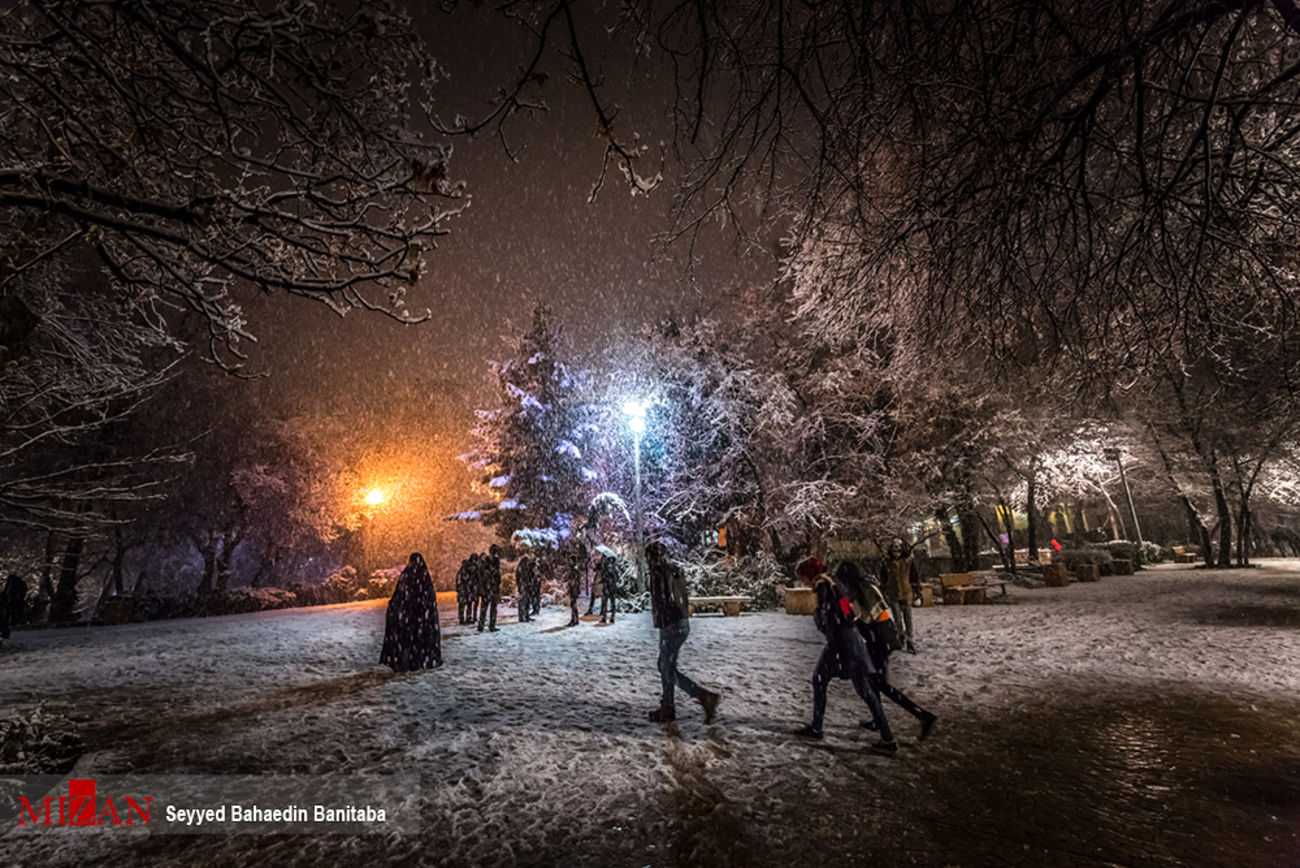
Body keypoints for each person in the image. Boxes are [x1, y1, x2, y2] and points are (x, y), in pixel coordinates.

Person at [793, 556, 895, 752]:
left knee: (819, 679)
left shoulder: (823, 585)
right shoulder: (832, 583)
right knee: (864, 688)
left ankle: (816, 727)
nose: (802, 581)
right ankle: (887, 737)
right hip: (851, 640)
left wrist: (820, 619)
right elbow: (845, 612)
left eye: (802, 576)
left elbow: (831, 617)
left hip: (840, 643)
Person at [840, 561, 937, 741]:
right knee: (875, 680)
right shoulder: (868, 585)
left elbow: (867, 618)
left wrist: (848, 610)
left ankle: (922, 715)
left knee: (879, 683)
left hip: (879, 638)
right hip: (885, 635)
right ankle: (879, 719)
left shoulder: (860, 589)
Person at [646, 541, 720, 723]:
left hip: (670, 625)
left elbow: (664, 598)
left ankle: (703, 697)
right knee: (665, 666)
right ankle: (668, 706)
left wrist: (662, 621)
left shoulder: (659, 572)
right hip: (681, 623)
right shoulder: (675, 569)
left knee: (666, 668)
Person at [379, 553, 441, 672]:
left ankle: (406, 662)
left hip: (409, 615)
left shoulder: (406, 576)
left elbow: (399, 595)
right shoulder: (423, 576)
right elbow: (429, 597)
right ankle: (417, 661)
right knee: (418, 639)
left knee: (408, 640)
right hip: (418, 615)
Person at [879, 538, 922, 653]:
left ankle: (909, 640)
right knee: (897, 618)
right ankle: (901, 636)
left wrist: (917, 591)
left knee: (908, 618)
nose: (896, 554)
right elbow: (883, 579)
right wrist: (883, 591)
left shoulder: (909, 562)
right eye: (894, 551)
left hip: (906, 592)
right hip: (893, 593)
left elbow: (914, 577)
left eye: (898, 551)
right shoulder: (886, 562)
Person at [478, 545, 501, 632]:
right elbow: (486, 575)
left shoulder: (494, 561)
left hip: (489, 588)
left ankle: (484, 625)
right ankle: (489, 625)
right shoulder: (489, 562)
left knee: (488, 608)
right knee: (490, 608)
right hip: (489, 588)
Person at [596, 552, 619, 624]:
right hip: (613, 588)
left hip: (607, 588)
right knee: (612, 604)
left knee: (605, 603)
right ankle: (612, 618)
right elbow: (617, 578)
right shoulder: (614, 569)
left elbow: (604, 578)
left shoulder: (606, 569)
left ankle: (604, 618)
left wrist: (604, 585)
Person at [515, 556, 535, 623]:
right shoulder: (520, 568)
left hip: (527, 587)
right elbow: (520, 579)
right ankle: (521, 617)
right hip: (523, 587)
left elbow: (529, 576)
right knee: (522, 602)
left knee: (527, 602)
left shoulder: (526, 568)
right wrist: (521, 586)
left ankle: (526, 615)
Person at [566, 552, 583, 626]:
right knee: (573, 604)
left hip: (574, 589)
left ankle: (574, 620)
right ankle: (575, 619)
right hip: (573, 589)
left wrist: (571, 583)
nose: (569, 561)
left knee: (573, 604)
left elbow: (575, 579)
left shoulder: (575, 569)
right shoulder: (573, 568)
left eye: (570, 560)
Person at [455, 557, 472, 625]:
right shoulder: (462, 573)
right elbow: (460, 583)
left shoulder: (462, 572)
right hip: (463, 591)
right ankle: (463, 618)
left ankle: (465, 618)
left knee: (465, 605)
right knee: (463, 605)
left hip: (465, 591)